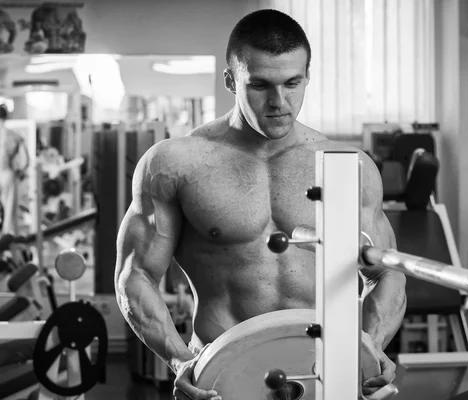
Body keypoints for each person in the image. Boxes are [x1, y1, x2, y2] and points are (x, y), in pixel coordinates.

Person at [115, 9, 407, 400]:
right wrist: (179, 359)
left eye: (292, 83)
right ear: (230, 80)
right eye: (260, 85)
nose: (279, 102)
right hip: (223, 376)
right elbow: (136, 275)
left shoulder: (347, 165)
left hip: (328, 370)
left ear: (307, 76)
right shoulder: (175, 164)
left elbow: (387, 273)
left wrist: (370, 345)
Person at [0, 104, 29, 234]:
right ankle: (6, 238)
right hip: (7, 173)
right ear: (6, 117)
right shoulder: (15, 135)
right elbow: (25, 161)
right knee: (7, 210)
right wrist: (19, 172)